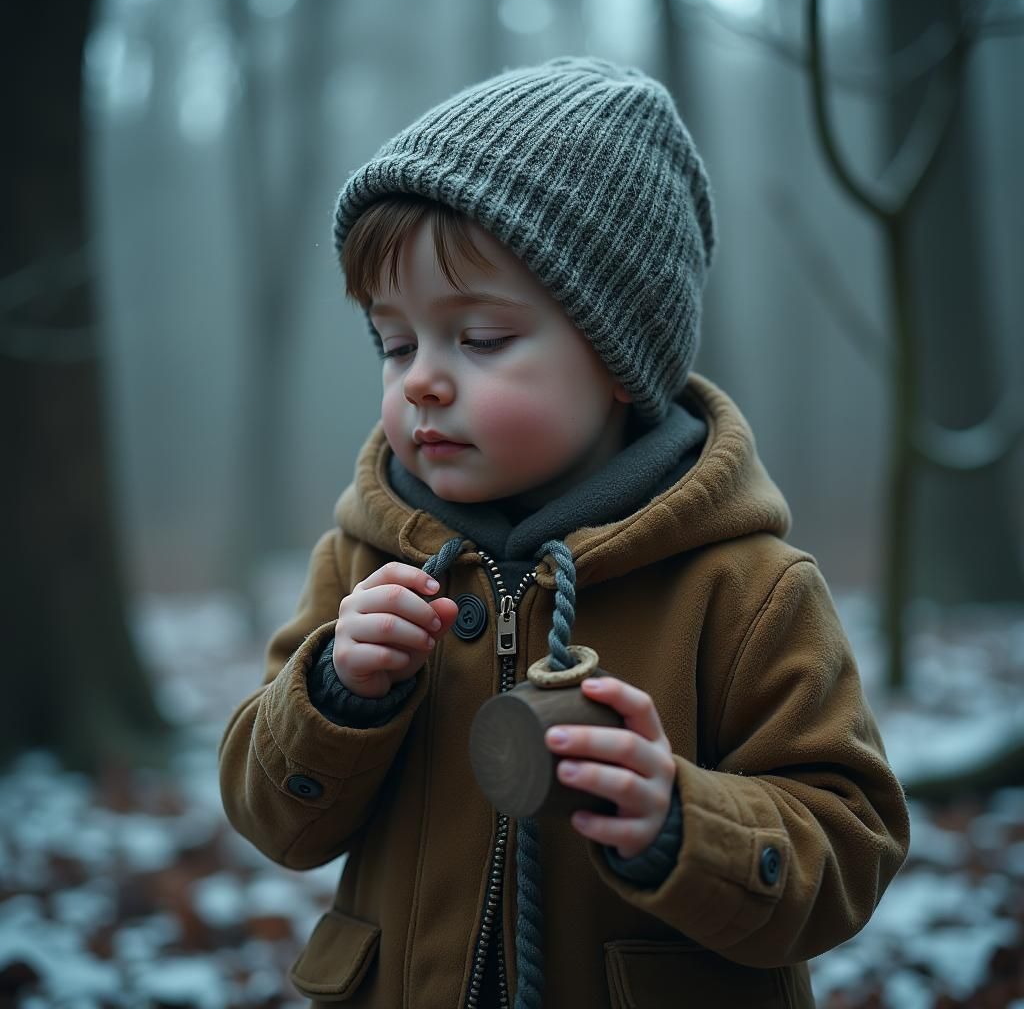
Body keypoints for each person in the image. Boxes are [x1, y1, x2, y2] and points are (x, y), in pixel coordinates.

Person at [219, 56, 909, 1009]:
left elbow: (850, 844)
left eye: (482, 338)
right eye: (395, 341)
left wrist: (682, 821)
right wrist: (337, 696)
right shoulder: (363, 564)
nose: (420, 378)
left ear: (621, 354)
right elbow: (274, 821)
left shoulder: (745, 587)